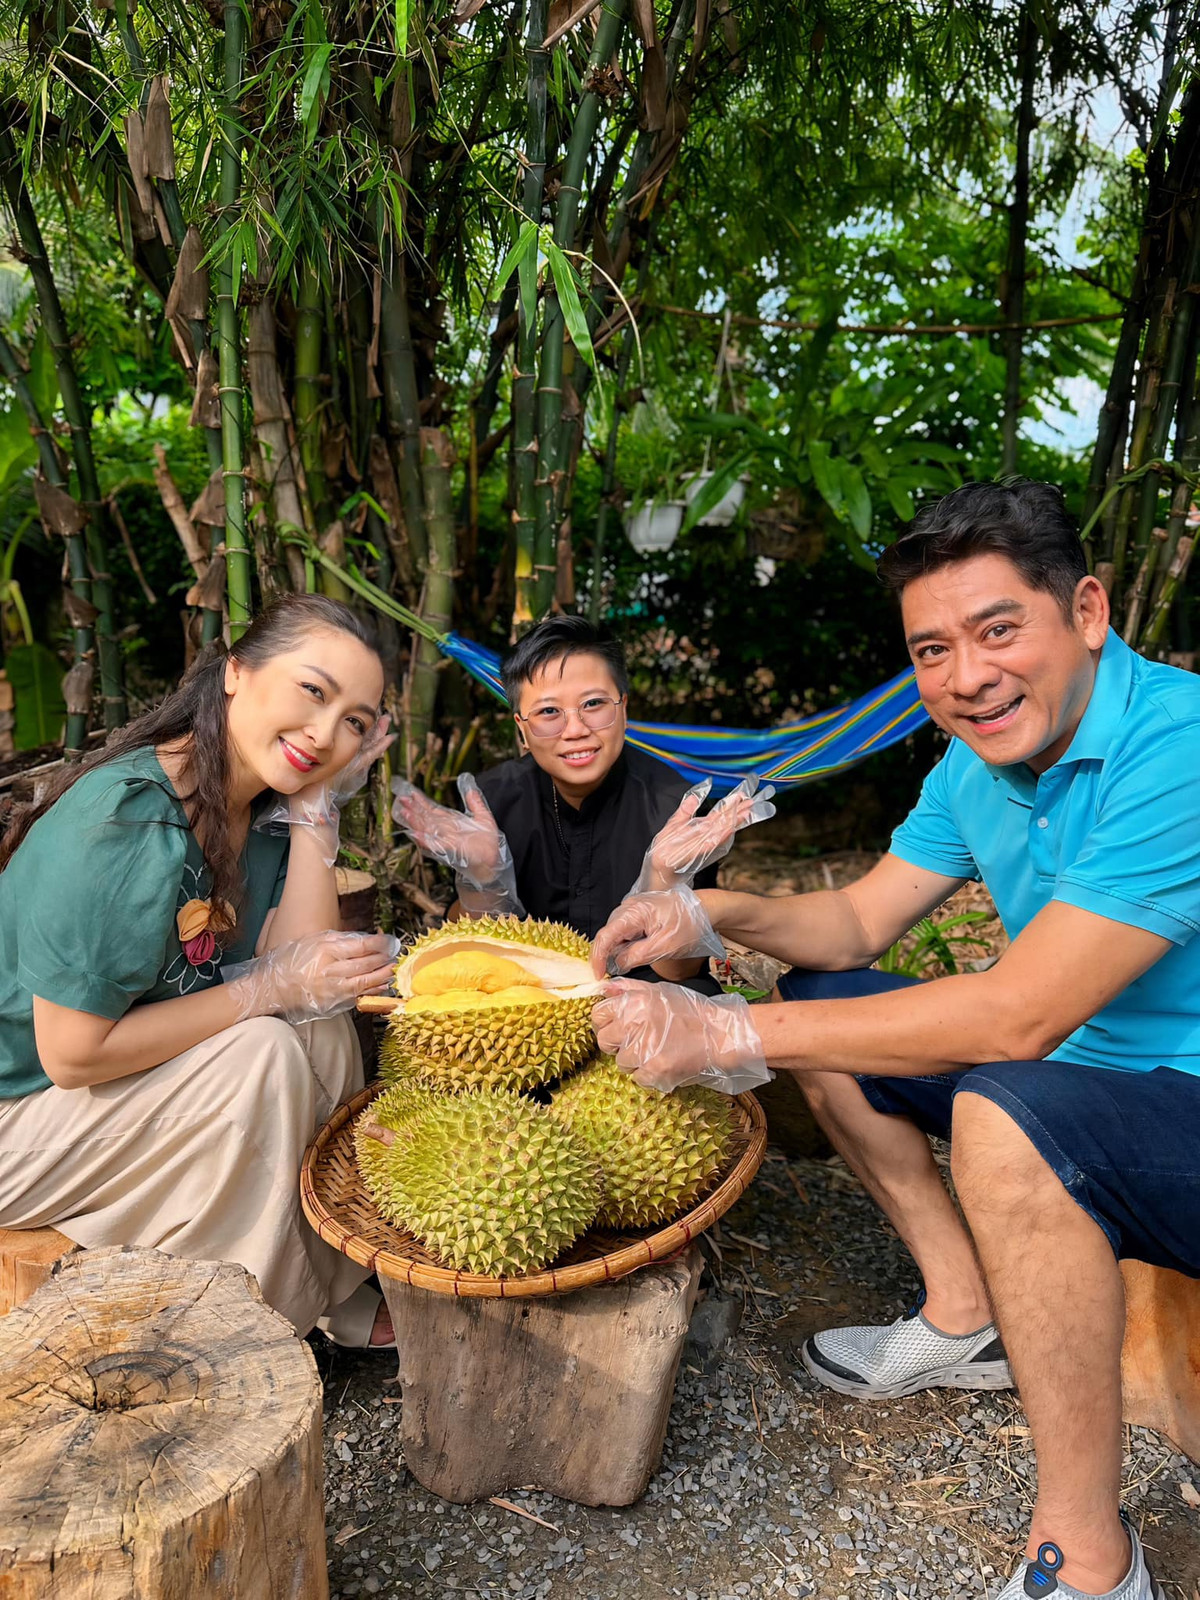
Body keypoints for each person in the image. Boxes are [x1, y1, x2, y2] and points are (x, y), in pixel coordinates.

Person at [590, 480, 1200, 1600]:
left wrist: (722, 1028)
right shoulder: (972, 768)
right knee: (832, 1001)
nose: (967, 676)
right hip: (1075, 1073)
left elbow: (1020, 1013)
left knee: (1006, 1113)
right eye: (932, 649)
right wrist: (715, 914)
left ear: (1090, 611)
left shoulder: (1182, 745)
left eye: (998, 630)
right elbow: (859, 920)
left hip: (1183, 1096)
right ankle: (965, 1314)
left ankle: (1089, 1566)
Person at [0, 594, 399, 1348]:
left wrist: (316, 810)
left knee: (319, 1034)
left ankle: (313, 1298)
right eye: (312, 691)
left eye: (353, 721)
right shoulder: (127, 822)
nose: (324, 732)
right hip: (19, 1109)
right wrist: (263, 989)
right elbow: (72, 1054)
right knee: (260, 1054)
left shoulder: (256, 807)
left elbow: (302, 971)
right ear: (236, 673)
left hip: (87, 1099)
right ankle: (237, 1344)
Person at [392, 614, 773, 989]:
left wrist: (665, 884)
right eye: (548, 712)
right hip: (524, 1007)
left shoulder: (677, 808)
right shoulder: (491, 804)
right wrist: (483, 881)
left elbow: (681, 973)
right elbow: (473, 952)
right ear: (522, 729)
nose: (575, 730)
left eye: (593, 704)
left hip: (647, 1007)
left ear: (623, 709)